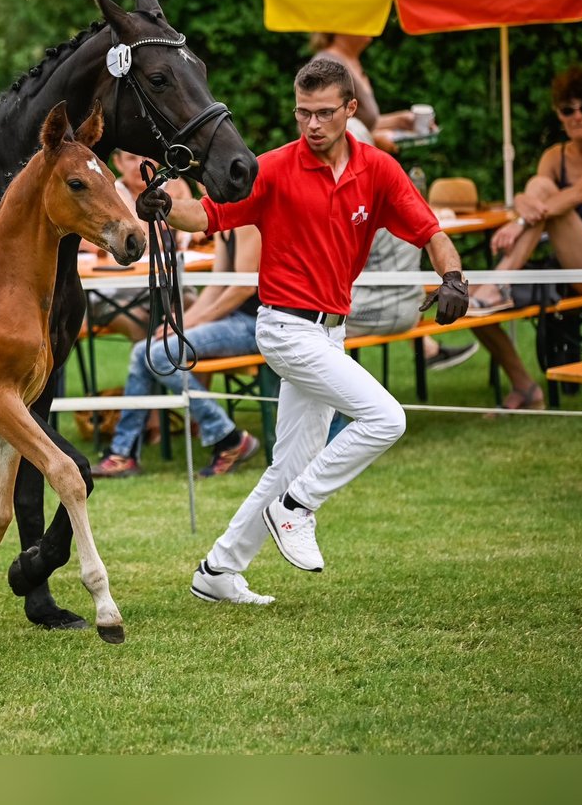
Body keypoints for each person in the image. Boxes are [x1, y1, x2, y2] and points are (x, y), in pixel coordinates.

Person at [136, 57, 468, 605]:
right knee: (387, 418)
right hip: (286, 328)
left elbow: (431, 230)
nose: (312, 124)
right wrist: (164, 209)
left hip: (332, 332)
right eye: (303, 113)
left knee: (288, 464)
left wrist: (452, 276)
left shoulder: (379, 169)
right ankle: (296, 508)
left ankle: (218, 569)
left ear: (350, 110)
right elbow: (208, 214)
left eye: (324, 113)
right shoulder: (271, 169)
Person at [312, 37, 476, 372]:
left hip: (368, 309)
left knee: (296, 325)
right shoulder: (369, 174)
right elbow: (431, 232)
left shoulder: (366, 179)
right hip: (396, 304)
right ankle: (426, 350)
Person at [462, 66, 582, 410]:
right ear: (558, 114)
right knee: (466, 301)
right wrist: (523, 209)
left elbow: (578, 194)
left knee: (545, 190)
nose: (577, 116)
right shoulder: (555, 156)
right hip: (557, 263)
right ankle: (525, 386)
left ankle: (499, 282)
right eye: (568, 110)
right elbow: (527, 197)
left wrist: (521, 220)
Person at [90, 222, 263, 479]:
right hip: (235, 320)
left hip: (255, 324)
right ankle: (122, 453)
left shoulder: (247, 222)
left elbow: (244, 287)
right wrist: (180, 324)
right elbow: (216, 286)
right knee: (143, 351)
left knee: (159, 354)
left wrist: (189, 323)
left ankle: (228, 437)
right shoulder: (228, 222)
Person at [80, 150, 197, 342]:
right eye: (131, 159)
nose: (139, 165)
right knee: (140, 321)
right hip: (115, 292)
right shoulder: (112, 193)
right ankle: (150, 368)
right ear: (117, 163)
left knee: (193, 306)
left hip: (166, 286)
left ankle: (189, 369)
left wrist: (185, 235)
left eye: (146, 157)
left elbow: (193, 235)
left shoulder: (175, 186)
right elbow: (140, 242)